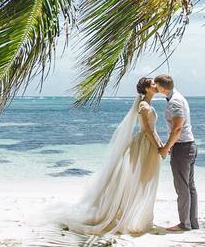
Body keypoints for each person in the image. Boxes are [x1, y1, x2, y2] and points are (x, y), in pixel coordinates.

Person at [59, 77, 163, 235]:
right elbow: (147, 130)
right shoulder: (143, 105)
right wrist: (159, 146)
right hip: (144, 144)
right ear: (147, 89)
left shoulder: (149, 104)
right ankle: (126, 216)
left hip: (149, 143)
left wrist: (159, 144)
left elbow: (151, 129)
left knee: (144, 180)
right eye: (153, 84)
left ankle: (137, 215)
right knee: (137, 180)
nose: (156, 86)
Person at [154, 74, 199, 231]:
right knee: (189, 187)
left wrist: (166, 147)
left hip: (182, 148)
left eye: (156, 85)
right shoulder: (177, 98)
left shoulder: (175, 101)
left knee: (182, 188)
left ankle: (184, 224)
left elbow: (178, 128)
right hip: (188, 146)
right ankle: (192, 222)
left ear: (162, 87)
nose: (155, 88)